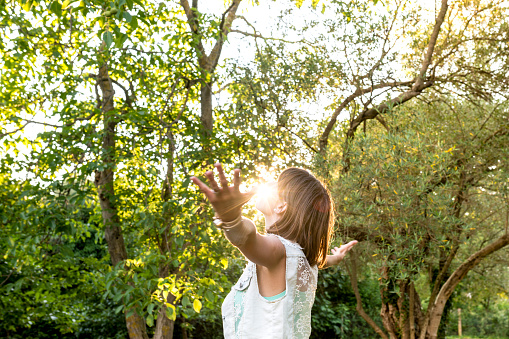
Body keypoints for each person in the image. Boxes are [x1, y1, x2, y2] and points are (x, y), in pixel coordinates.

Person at [191, 163, 358, 339]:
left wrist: (230, 218)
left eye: (276, 184)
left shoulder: (278, 251)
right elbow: (321, 260)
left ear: (281, 206)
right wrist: (336, 257)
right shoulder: (303, 258)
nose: (269, 184)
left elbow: (245, 236)